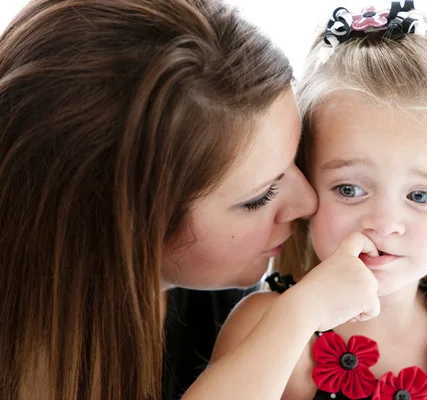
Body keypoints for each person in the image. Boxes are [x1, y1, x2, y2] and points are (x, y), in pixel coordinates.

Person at [0, 1, 382, 399]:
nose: (308, 203)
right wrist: (297, 317)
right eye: (260, 196)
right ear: (128, 227)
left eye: (296, 157)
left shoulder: (226, 298)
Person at [212, 2, 427, 399]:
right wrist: (301, 314)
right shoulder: (274, 327)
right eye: (349, 189)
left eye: (420, 196)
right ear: (306, 181)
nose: (384, 223)